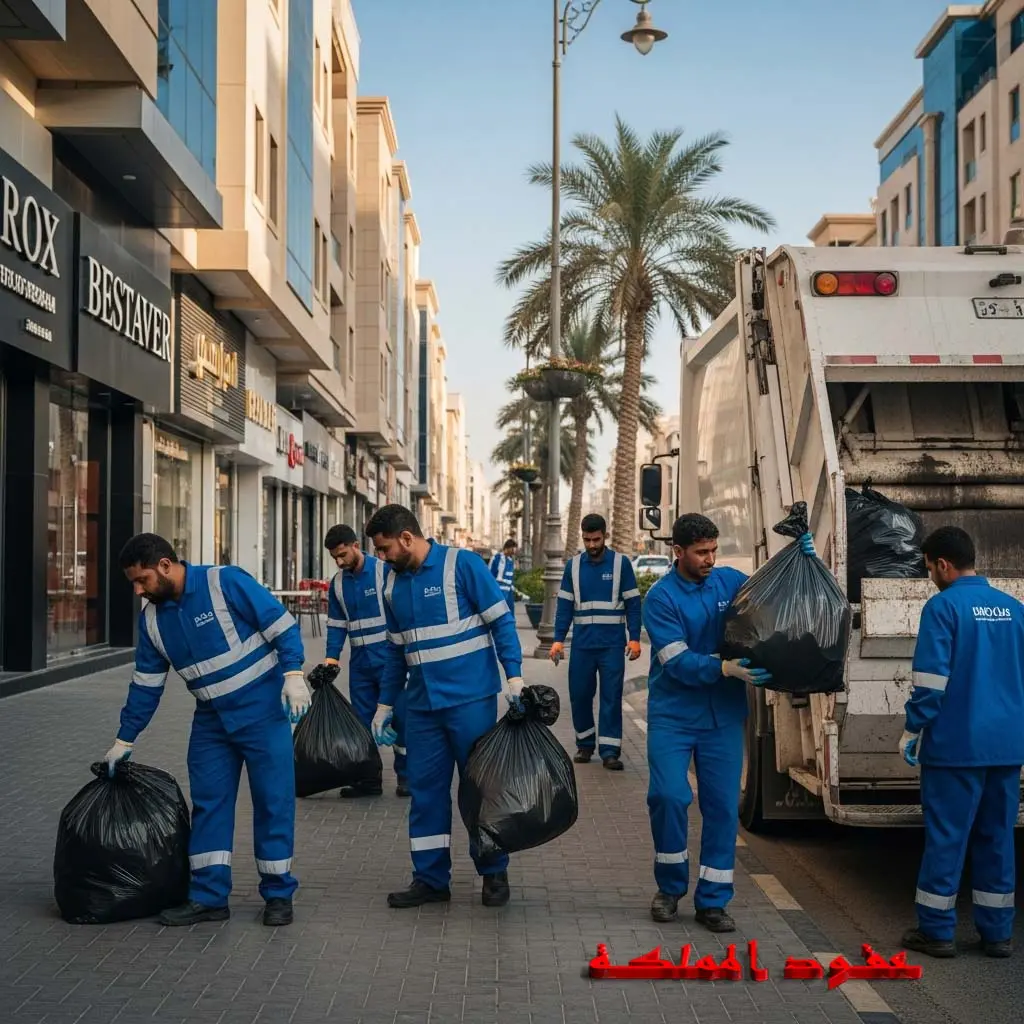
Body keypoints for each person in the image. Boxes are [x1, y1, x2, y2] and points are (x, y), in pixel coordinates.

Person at [103, 533, 309, 927]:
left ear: (165, 566)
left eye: (141, 580)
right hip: (212, 722)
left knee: (273, 802)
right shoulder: (151, 621)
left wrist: (294, 673)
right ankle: (209, 897)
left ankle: (279, 893)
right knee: (209, 803)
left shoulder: (224, 582)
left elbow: (283, 627)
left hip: (264, 713)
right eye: (133, 582)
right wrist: (124, 738)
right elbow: (146, 685)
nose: (137, 590)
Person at [643, 512, 816, 933]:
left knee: (721, 808)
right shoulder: (660, 599)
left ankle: (713, 900)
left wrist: (800, 559)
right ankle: (669, 888)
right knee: (668, 796)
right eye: (701, 552)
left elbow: (770, 594)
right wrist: (723, 669)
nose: (709, 559)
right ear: (678, 552)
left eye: (714, 551)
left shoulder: (728, 582)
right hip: (674, 716)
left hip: (721, 717)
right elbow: (677, 662)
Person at [365, 504, 525, 909]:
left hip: (470, 701)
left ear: (406, 538)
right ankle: (430, 879)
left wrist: (515, 676)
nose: (380, 558)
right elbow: (395, 651)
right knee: (425, 793)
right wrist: (384, 705)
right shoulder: (390, 583)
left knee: (479, 791)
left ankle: (493, 872)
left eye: (384, 549)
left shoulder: (463, 566)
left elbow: (501, 622)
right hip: (421, 707)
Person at [899, 526, 1024, 960]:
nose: (930, 573)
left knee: (948, 838)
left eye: (929, 566)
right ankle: (997, 935)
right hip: (1006, 747)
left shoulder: (942, 608)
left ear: (943, 565)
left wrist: (914, 728)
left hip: (956, 746)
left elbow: (931, 683)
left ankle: (936, 931)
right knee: (997, 837)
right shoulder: (1014, 609)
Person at [320, 523, 408, 798]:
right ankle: (369, 780)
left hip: (389, 659)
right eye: (334, 557)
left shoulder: (385, 572)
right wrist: (330, 660)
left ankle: (408, 778)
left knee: (400, 718)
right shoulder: (337, 584)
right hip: (360, 664)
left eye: (343, 554)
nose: (339, 561)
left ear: (356, 545)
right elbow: (336, 625)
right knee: (362, 722)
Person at [549, 513, 642, 770]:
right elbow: (564, 606)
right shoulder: (573, 566)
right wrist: (557, 640)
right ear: (582, 536)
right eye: (587, 539)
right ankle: (585, 744)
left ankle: (610, 751)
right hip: (582, 646)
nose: (592, 545)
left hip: (612, 646)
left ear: (605, 535)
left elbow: (633, 604)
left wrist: (634, 638)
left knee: (611, 697)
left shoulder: (620, 564)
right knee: (579, 696)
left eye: (596, 539)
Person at [489, 538, 518, 613]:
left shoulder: (511, 561)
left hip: (508, 593)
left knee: (510, 613)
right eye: (513, 549)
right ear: (508, 548)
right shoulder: (496, 558)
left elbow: (510, 578)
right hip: (498, 591)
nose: (514, 551)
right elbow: (490, 575)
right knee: (499, 614)